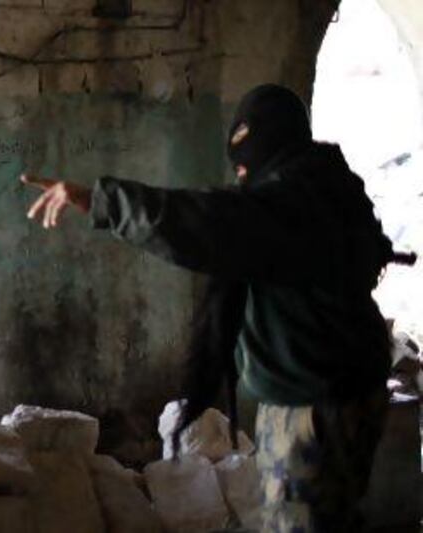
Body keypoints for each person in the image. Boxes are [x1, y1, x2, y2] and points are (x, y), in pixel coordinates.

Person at [21, 84, 395, 532]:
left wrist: (101, 200)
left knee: (301, 524)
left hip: (316, 404)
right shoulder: (329, 190)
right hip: (337, 390)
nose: (240, 173)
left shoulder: (293, 202)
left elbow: (207, 221)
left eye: (246, 161)